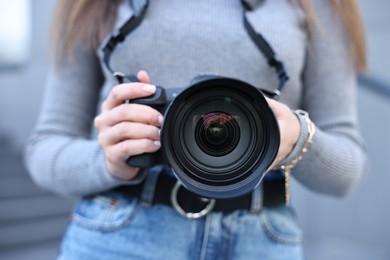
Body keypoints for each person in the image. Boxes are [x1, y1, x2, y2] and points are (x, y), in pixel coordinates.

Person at [24, 0, 368, 259]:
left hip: (259, 239)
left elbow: (347, 171)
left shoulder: (320, 5)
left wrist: (297, 136)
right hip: (119, 235)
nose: (214, 129)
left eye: (220, 128)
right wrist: (108, 160)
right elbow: (44, 150)